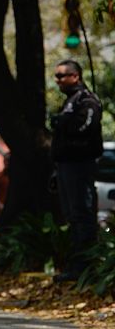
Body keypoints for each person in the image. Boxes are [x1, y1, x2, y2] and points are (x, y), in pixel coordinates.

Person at [50, 59, 103, 282]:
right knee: (72, 216)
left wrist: (63, 123)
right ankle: (76, 266)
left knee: (82, 215)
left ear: (76, 76)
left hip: (80, 166)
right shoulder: (71, 101)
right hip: (65, 166)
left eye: (62, 76)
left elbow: (85, 128)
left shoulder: (87, 100)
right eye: (57, 76)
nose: (58, 80)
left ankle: (86, 267)